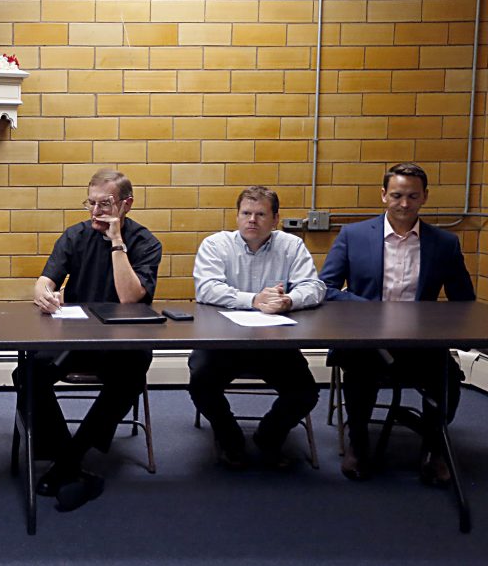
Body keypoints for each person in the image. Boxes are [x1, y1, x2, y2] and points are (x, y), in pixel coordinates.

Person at [319, 162, 474, 484]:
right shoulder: (354, 235)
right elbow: (327, 288)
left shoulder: (444, 243)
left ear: (425, 197)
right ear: (383, 195)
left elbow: (463, 300)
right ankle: (358, 443)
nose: (404, 204)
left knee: (447, 380)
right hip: (366, 339)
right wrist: (375, 311)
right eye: (397, 195)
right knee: (360, 374)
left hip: (420, 342)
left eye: (413, 196)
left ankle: (433, 448)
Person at [28, 169, 161, 511]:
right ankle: (68, 458)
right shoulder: (75, 236)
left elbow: (130, 298)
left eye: (106, 204)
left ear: (126, 205)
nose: (96, 211)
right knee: (28, 372)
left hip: (123, 342)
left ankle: (68, 460)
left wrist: (117, 242)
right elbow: (46, 279)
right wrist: (44, 293)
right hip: (76, 335)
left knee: (132, 373)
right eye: (91, 202)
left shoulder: (145, 242)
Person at [190, 186, 324, 469]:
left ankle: (268, 437)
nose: (252, 220)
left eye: (261, 214)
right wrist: (254, 300)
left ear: (275, 219)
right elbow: (207, 289)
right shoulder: (216, 245)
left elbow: (314, 287)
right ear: (237, 216)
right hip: (222, 342)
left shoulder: (291, 246)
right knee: (201, 385)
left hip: (274, 344)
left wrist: (289, 300)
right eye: (246, 213)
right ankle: (231, 440)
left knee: (305, 393)